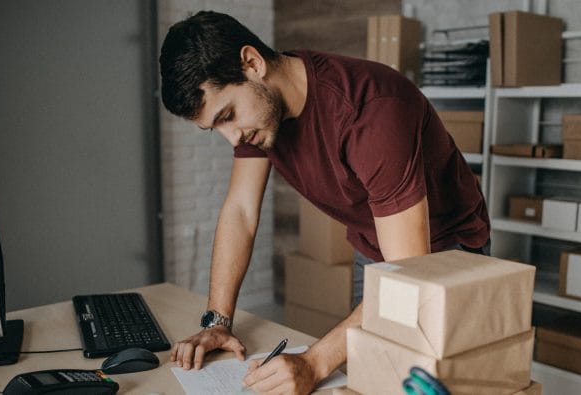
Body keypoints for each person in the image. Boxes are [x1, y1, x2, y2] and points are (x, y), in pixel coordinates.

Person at [159, 10, 490, 394]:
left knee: (433, 384)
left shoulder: (370, 110)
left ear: (252, 63)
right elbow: (241, 212)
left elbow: (410, 275)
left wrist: (315, 361)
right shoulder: (264, 117)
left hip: (446, 254)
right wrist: (218, 320)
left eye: (228, 116)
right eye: (215, 127)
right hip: (375, 249)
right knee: (372, 377)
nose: (232, 139)